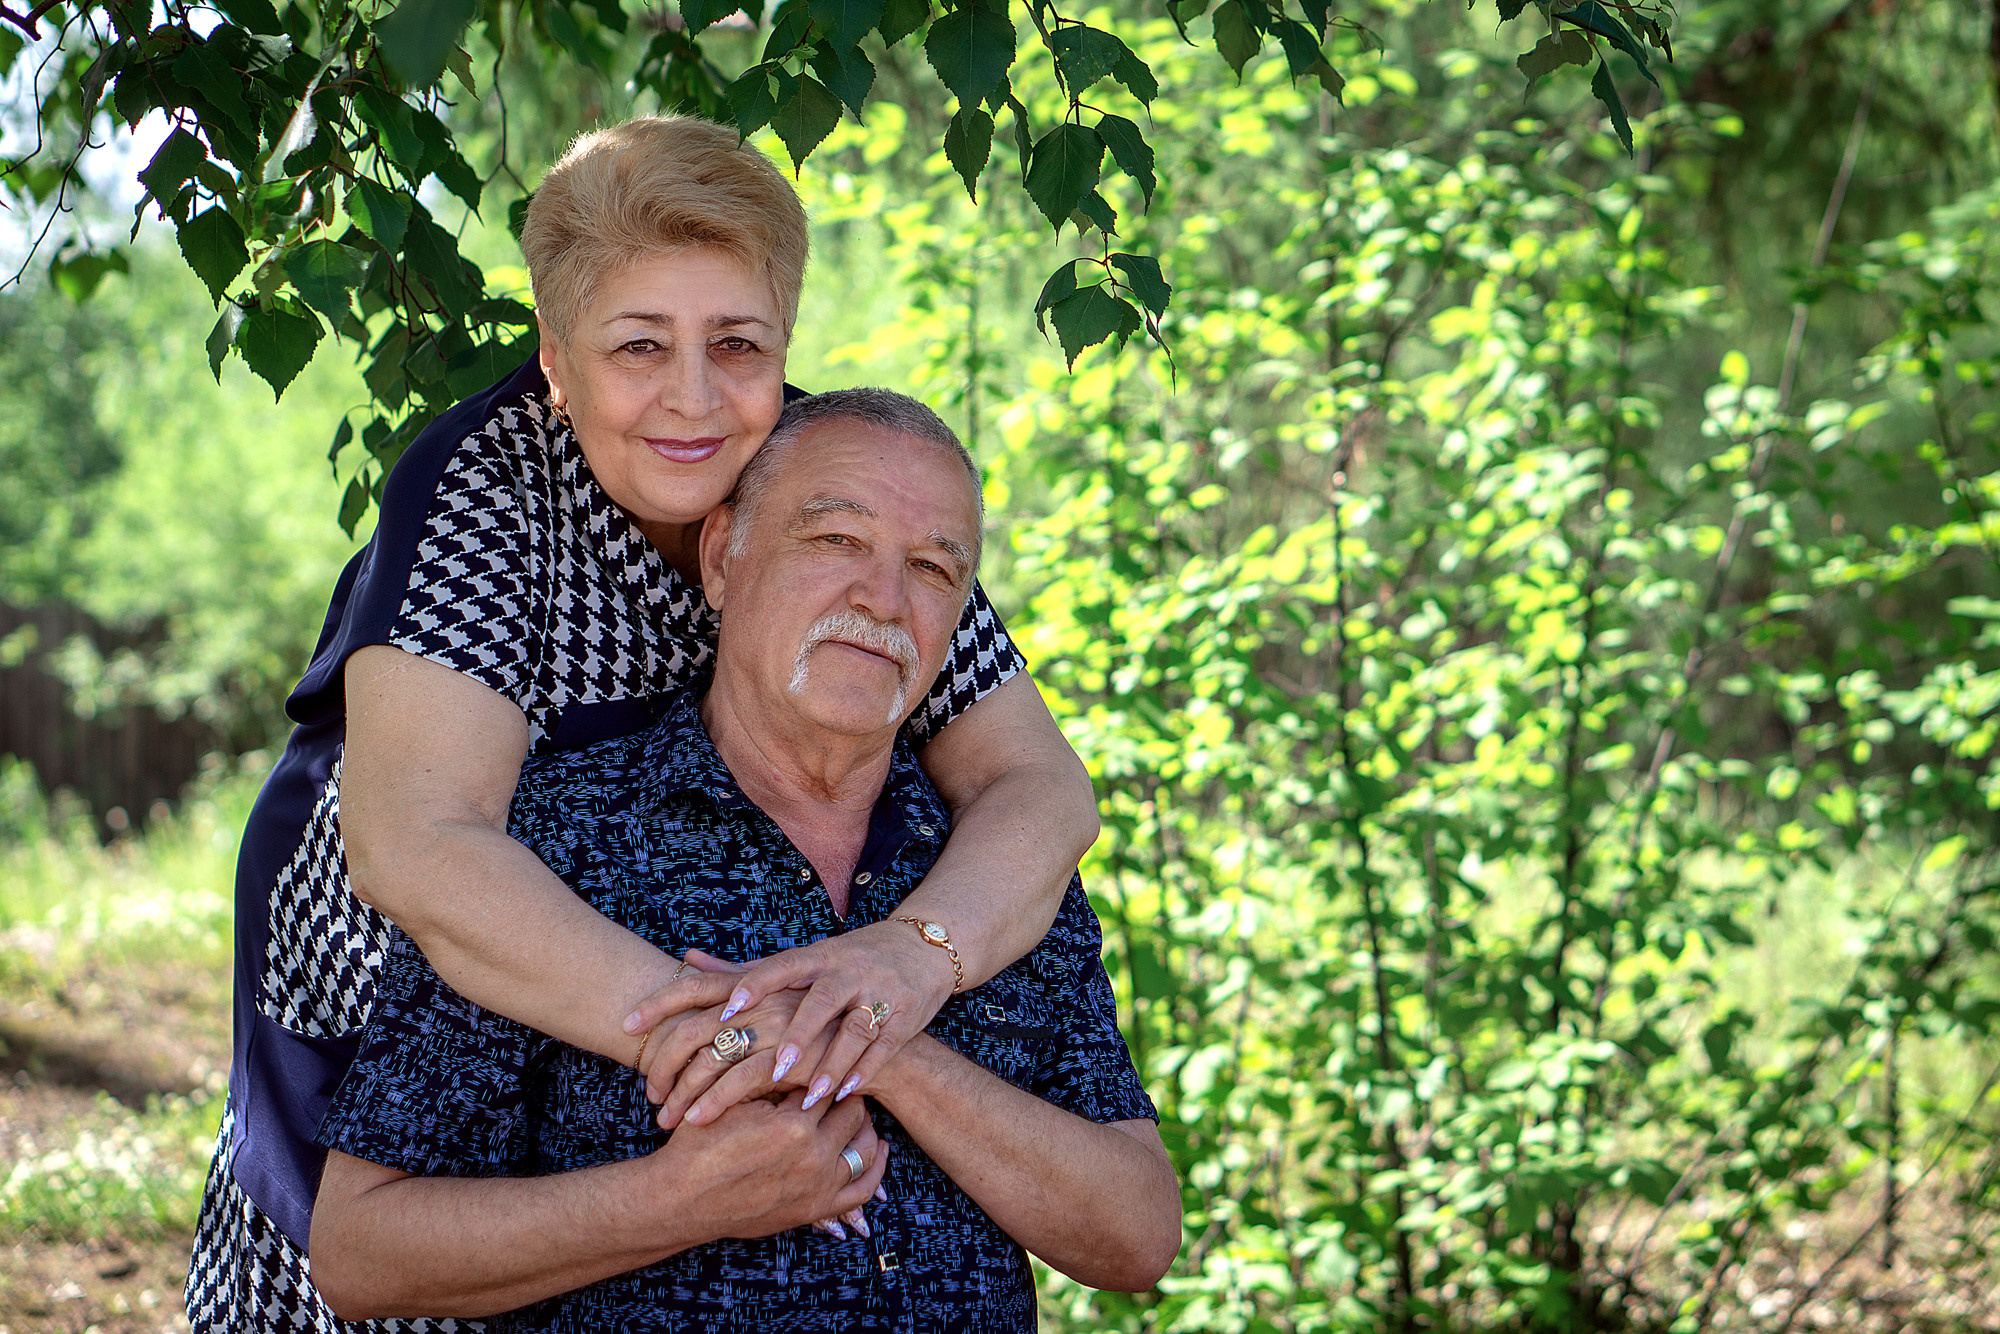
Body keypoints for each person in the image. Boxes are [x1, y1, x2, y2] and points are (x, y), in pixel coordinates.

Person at [186, 118, 1100, 1331]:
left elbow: (1039, 791)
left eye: (736, 344)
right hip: (394, 981)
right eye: (637, 346)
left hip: (626, 998)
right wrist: (731, 1033)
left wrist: (907, 957)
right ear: (557, 364)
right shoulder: (483, 489)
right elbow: (419, 847)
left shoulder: (834, 488)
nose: (692, 397)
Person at [305, 389, 1181, 1330]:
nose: (882, 598)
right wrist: (677, 1203)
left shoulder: (991, 867)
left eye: (932, 569)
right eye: (836, 541)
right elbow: (362, 1253)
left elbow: (1136, 1232)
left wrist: (882, 1046)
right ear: (723, 557)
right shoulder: (550, 841)